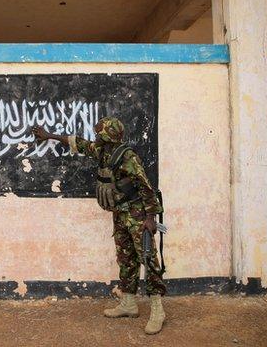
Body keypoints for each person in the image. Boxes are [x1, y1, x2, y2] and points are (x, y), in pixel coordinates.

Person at [32, 117, 167, 335]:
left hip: (137, 215)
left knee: (148, 259)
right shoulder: (103, 151)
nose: (96, 137)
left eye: (100, 133)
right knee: (126, 257)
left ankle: (158, 310)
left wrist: (150, 219)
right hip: (120, 214)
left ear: (108, 136)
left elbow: (146, 187)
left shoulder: (128, 157)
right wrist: (50, 136)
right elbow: (79, 143)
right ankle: (129, 303)